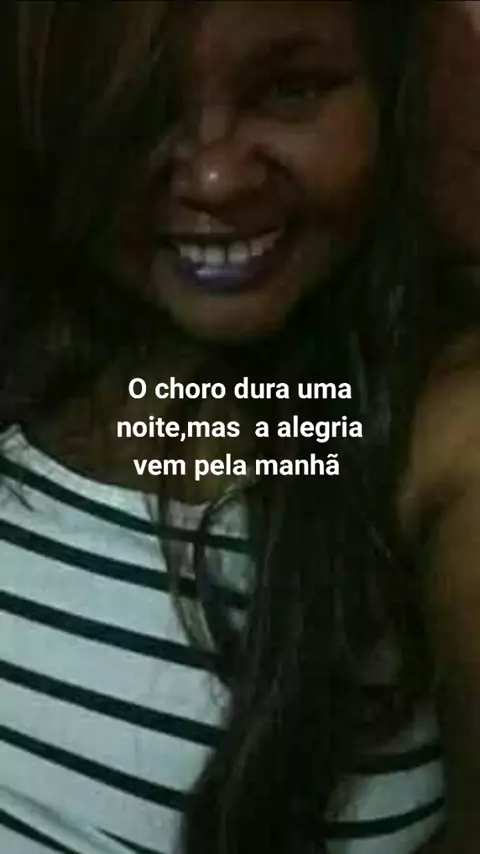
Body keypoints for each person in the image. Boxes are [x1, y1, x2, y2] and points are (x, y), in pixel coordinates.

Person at [0, 1, 465, 852]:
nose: (216, 179)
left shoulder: (439, 432)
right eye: (143, 105)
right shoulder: (31, 349)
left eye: (291, 88)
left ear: (392, 91)